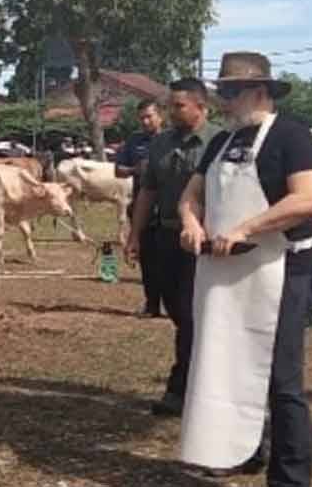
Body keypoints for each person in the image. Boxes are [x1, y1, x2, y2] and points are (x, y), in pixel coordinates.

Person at [177, 52, 312, 485]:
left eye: (231, 92)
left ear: (259, 92)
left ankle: (290, 475)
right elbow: (192, 194)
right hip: (222, 271)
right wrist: (189, 220)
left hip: (279, 268)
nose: (223, 100)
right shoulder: (221, 142)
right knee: (225, 362)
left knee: (281, 378)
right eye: (221, 91)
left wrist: (247, 228)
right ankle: (239, 448)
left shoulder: (293, 139)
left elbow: (308, 199)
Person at [126, 79, 219, 416]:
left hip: (203, 242)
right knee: (177, 310)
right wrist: (134, 234)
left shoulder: (218, 141)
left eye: (179, 105)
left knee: (193, 314)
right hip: (164, 236)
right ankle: (191, 379)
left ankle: (182, 388)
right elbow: (147, 191)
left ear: (200, 106)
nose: (172, 112)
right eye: (170, 105)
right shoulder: (161, 143)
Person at [116, 99, 165, 318]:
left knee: (172, 258)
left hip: (170, 208)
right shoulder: (134, 141)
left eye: (149, 116)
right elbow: (118, 170)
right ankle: (151, 303)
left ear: (160, 116)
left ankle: (177, 304)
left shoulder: (172, 139)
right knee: (147, 257)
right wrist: (137, 168)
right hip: (141, 207)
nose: (145, 121)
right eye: (142, 117)